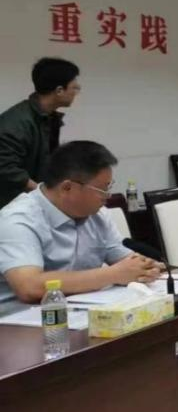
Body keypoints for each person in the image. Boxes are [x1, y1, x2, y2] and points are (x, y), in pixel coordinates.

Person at [0, 141, 162, 308]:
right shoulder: (18, 220)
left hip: (84, 310)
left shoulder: (97, 214)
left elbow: (124, 260)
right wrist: (112, 274)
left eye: (109, 187)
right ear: (67, 187)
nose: (108, 196)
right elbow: (29, 286)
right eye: (102, 190)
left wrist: (145, 268)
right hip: (22, 318)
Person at [0, 58, 81, 209]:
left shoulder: (47, 117)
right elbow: (6, 168)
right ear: (59, 91)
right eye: (74, 88)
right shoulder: (17, 122)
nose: (76, 92)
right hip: (11, 207)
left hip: (31, 203)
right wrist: (43, 194)